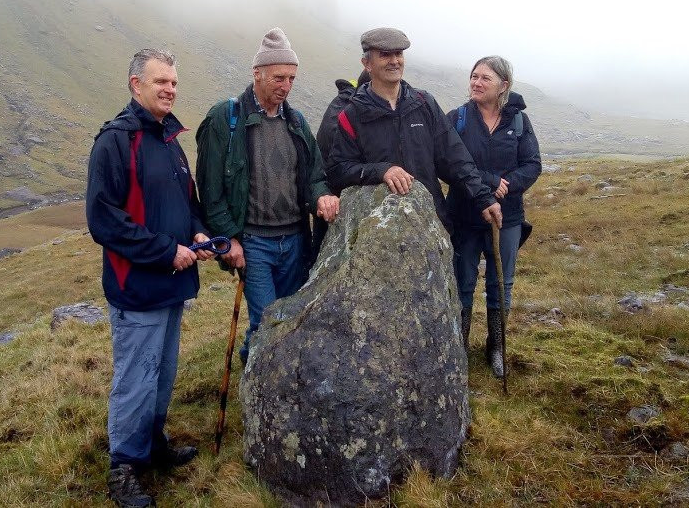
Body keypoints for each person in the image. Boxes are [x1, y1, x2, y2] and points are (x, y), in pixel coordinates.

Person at [86, 48, 215, 507]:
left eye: (175, 82)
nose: (170, 89)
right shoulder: (115, 142)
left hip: (172, 284)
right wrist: (166, 251)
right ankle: (124, 467)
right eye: (161, 81)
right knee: (135, 378)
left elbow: (184, 203)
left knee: (161, 374)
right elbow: (104, 221)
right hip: (137, 287)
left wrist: (197, 230)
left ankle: (151, 444)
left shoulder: (168, 140)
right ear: (135, 84)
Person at [196, 27, 339, 365]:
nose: (285, 86)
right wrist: (229, 239)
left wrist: (322, 196)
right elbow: (211, 189)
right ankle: (262, 391)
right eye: (278, 77)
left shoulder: (297, 121)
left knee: (287, 320)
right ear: (257, 73)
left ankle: (253, 364)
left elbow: (315, 176)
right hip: (254, 242)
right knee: (268, 321)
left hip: (293, 240)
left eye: (291, 78)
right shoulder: (225, 119)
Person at [327, 27, 501, 237]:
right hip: (377, 233)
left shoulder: (424, 103)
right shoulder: (351, 115)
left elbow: (454, 159)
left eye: (399, 54)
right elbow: (338, 170)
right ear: (367, 64)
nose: (394, 61)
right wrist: (382, 170)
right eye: (385, 55)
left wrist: (483, 197)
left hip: (431, 223)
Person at [446, 56, 541, 377]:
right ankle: (458, 344)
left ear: (504, 85)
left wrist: (509, 185)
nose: (476, 82)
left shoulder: (519, 123)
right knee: (463, 282)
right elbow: (448, 163)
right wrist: (489, 182)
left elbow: (532, 164)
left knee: (502, 283)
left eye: (485, 78)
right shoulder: (457, 119)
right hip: (464, 217)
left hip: (508, 218)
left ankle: (496, 347)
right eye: (473, 76)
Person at [311, 69, 370, 257]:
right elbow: (338, 161)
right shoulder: (349, 111)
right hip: (334, 202)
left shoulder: (342, 103)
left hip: (326, 197)